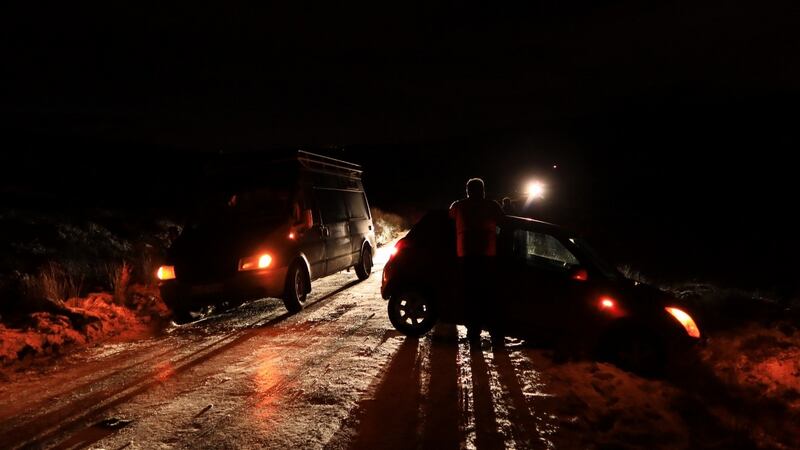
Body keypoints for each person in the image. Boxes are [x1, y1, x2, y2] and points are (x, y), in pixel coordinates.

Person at [449, 178, 505, 346]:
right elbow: (504, 221)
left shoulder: (459, 206)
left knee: (471, 297)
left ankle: (473, 336)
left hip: (465, 258)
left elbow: (449, 216)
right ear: (483, 190)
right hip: (488, 257)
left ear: (467, 190)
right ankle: (496, 335)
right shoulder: (492, 206)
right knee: (489, 297)